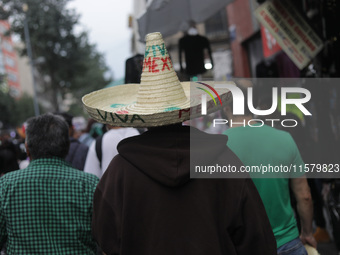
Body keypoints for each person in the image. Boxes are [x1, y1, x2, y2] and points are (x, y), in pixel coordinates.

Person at [83, 32, 277, 255]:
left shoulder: (119, 172)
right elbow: (256, 238)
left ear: (143, 117)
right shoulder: (224, 161)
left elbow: (105, 238)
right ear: (184, 113)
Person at [222, 80, 317, 254]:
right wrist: (307, 233)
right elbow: (304, 196)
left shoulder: (218, 148)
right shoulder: (285, 138)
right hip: (289, 242)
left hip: (246, 246)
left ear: (226, 108)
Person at [0, 113, 99, 254]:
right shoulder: (90, 184)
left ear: (27, 148)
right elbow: (107, 239)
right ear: (67, 147)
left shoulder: (5, 186)